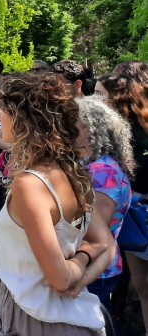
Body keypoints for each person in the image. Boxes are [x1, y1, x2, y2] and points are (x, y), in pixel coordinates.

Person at [0, 72, 113, 335]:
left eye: (4, 112)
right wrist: (80, 278)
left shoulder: (29, 184)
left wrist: (79, 263)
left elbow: (59, 279)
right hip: (75, 315)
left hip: (35, 318)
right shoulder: (73, 174)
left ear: (23, 120)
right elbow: (107, 246)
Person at [96, 71, 148, 334]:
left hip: (141, 211)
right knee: (141, 286)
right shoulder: (114, 132)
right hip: (133, 218)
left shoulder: (141, 131)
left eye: (101, 94)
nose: (96, 99)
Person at [76, 96, 134, 325]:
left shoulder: (102, 170)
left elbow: (95, 229)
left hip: (95, 269)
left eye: (70, 123)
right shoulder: (91, 163)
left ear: (89, 129)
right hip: (90, 263)